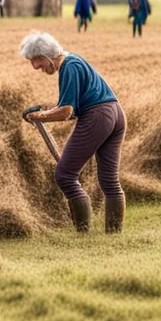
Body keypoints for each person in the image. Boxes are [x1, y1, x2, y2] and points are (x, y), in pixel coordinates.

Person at [19, 31, 125, 234]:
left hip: (98, 117)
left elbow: (67, 111)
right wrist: (43, 110)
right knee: (109, 179)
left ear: (48, 55)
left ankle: (82, 233)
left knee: (65, 175)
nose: (35, 66)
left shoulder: (69, 67)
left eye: (37, 60)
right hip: (115, 113)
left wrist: (39, 117)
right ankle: (114, 235)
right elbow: (70, 104)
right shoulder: (73, 60)